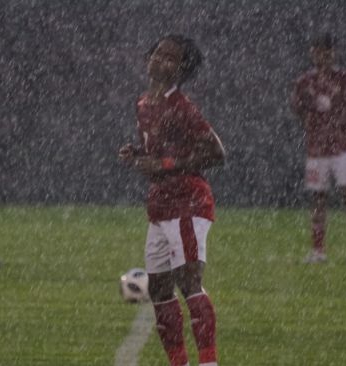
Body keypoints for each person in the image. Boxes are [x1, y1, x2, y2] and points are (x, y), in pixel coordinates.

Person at [119, 35, 225, 366]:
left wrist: (165, 165)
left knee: (189, 283)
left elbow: (216, 152)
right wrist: (138, 155)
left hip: (189, 201)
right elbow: (161, 152)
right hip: (160, 204)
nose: (160, 60)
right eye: (158, 53)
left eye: (170, 58)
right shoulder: (143, 104)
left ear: (182, 70)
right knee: (160, 290)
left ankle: (208, 362)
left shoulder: (182, 106)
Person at [290, 33, 346, 264]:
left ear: (332, 53)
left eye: (326, 52)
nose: (321, 56)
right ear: (312, 53)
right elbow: (296, 108)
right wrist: (306, 118)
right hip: (316, 149)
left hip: (342, 147)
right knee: (318, 199)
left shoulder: (345, 80)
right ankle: (318, 251)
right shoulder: (304, 82)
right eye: (317, 51)